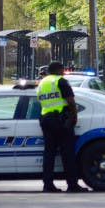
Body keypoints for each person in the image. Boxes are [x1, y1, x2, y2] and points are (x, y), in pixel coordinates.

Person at [37, 61, 87, 193]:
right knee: (67, 153)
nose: (64, 71)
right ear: (59, 70)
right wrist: (75, 116)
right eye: (63, 69)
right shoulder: (60, 81)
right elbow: (70, 100)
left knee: (49, 154)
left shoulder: (42, 83)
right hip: (60, 121)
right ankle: (72, 185)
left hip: (45, 119)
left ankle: (48, 185)